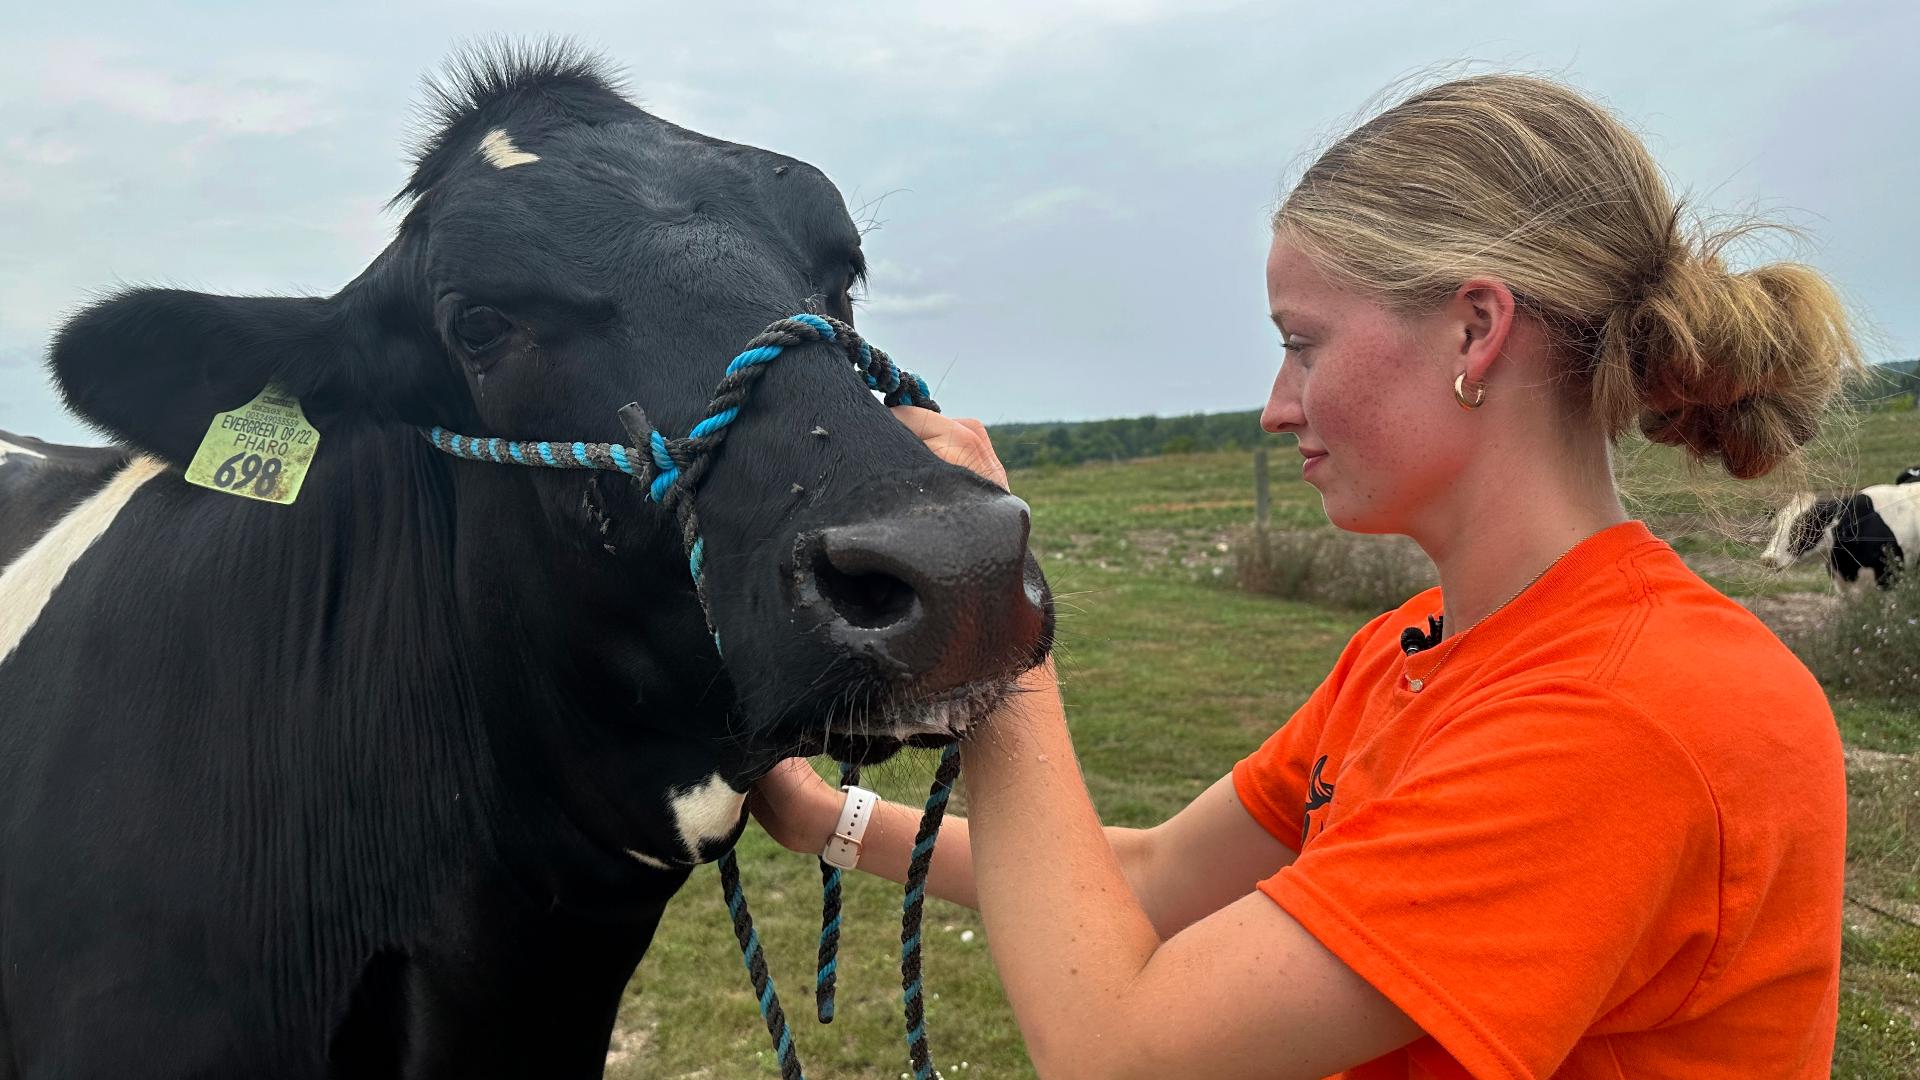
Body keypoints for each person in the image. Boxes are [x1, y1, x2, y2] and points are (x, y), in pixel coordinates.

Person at [751, 73, 1857, 1079]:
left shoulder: (1631, 714)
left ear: (1476, 331)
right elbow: (1142, 880)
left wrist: (985, 594)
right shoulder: (1416, 652)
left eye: (1304, 341)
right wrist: (821, 820)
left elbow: (1118, 1047)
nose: (1280, 404)